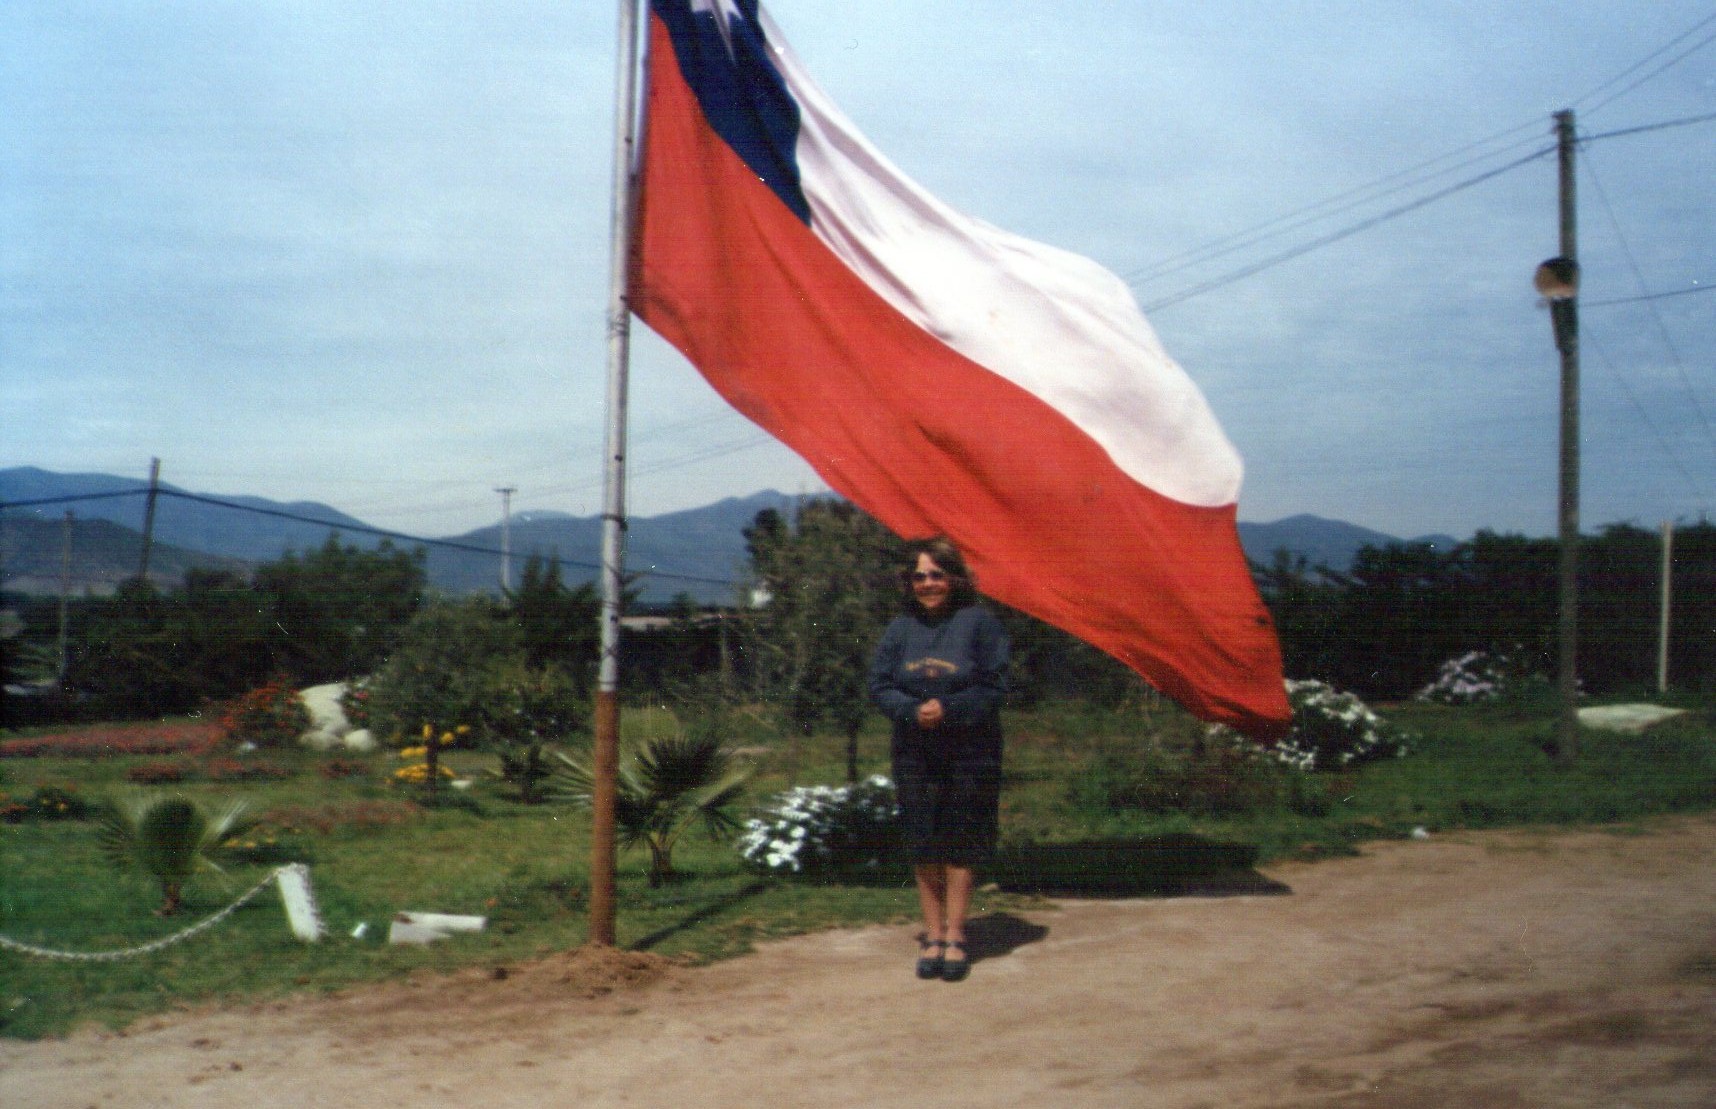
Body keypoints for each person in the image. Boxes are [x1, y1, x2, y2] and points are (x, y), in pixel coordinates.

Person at [868, 537, 1008, 982]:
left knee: (962, 838)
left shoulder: (980, 624)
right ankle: (931, 934)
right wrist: (911, 711)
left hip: (970, 747)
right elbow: (880, 684)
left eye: (936, 574)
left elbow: (994, 685)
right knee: (924, 839)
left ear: (954, 578)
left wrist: (950, 709)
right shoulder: (899, 629)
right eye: (919, 576)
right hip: (915, 747)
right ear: (909, 583)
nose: (928, 583)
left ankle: (956, 936)